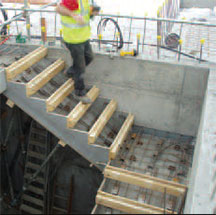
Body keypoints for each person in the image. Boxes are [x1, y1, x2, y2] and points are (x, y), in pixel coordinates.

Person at [56, 0, 99, 104]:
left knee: (89, 57)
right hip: (73, 39)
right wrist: (73, 15)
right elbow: (58, 8)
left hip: (83, 37)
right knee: (80, 68)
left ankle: (71, 71)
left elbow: (84, 13)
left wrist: (92, 12)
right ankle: (79, 92)